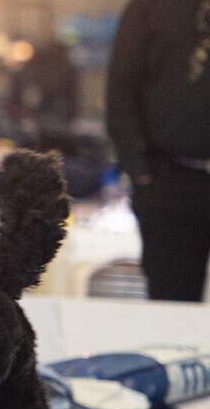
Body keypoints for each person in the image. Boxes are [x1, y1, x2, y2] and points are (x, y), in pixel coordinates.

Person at [106, 0, 210, 302]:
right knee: (171, 300)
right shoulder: (152, 6)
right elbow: (121, 85)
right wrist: (138, 169)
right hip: (169, 178)